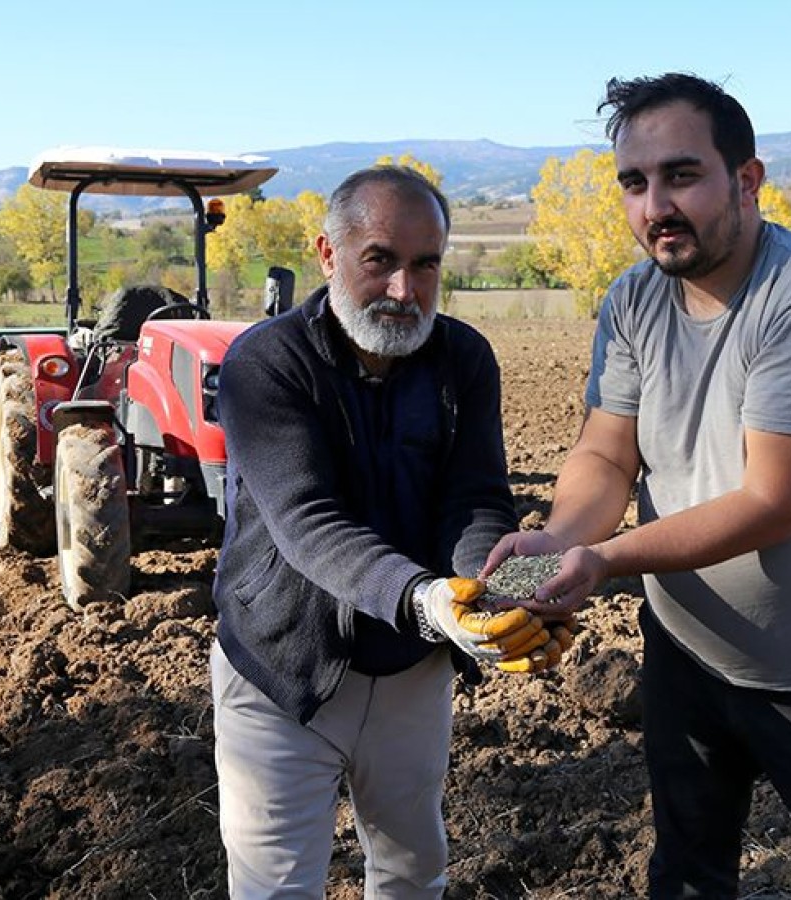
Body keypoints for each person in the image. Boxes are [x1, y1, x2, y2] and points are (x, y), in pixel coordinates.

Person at [484, 73, 791, 898]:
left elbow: (774, 503)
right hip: (687, 652)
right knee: (687, 875)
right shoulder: (633, 300)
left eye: (681, 175)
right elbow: (607, 455)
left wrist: (603, 562)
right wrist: (559, 539)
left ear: (748, 180)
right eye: (634, 182)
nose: (655, 205)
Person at [209, 165, 563, 899]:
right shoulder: (265, 363)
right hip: (284, 668)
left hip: (411, 669)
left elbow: (475, 502)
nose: (406, 289)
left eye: (426, 264)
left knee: (412, 872)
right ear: (328, 254)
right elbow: (306, 520)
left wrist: (501, 598)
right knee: (277, 888)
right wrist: (428, 600)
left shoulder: (462, 360)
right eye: (381, 260)